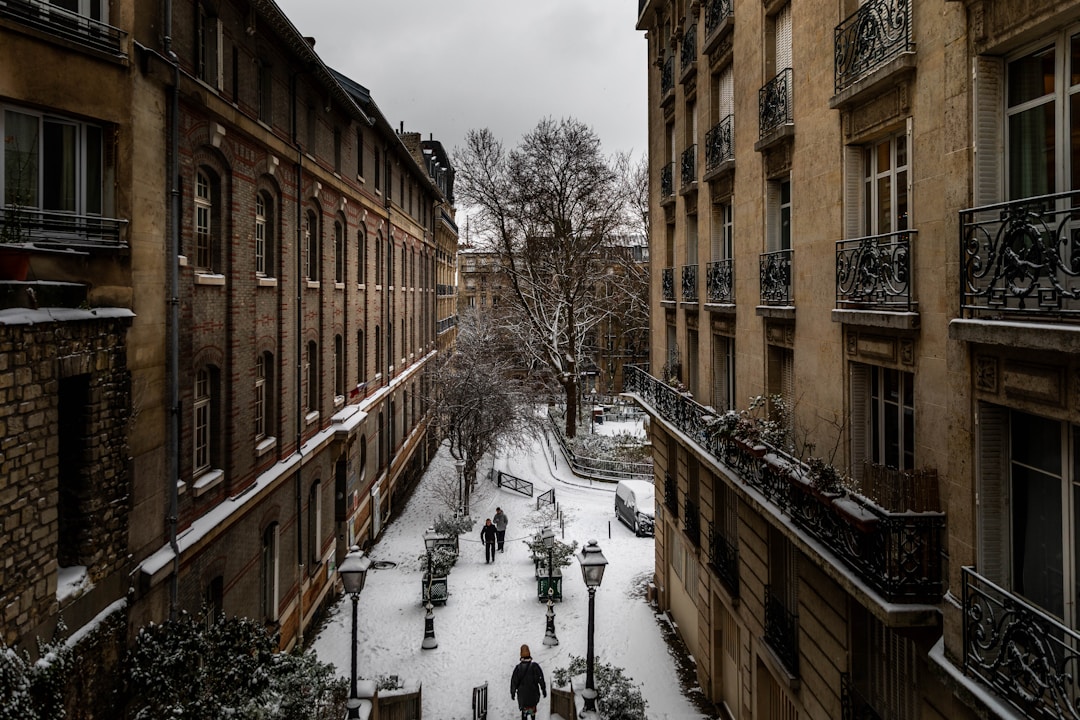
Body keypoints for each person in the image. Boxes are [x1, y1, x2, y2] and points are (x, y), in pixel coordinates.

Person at [510, 644, 546, 719]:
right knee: (532, 712)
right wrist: (543, 689)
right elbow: (540, 678)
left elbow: (514, 681)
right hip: (533, 694)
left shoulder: (518, 668)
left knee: (524, 713)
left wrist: (513, 692)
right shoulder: (535, 666)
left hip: (523, 696)